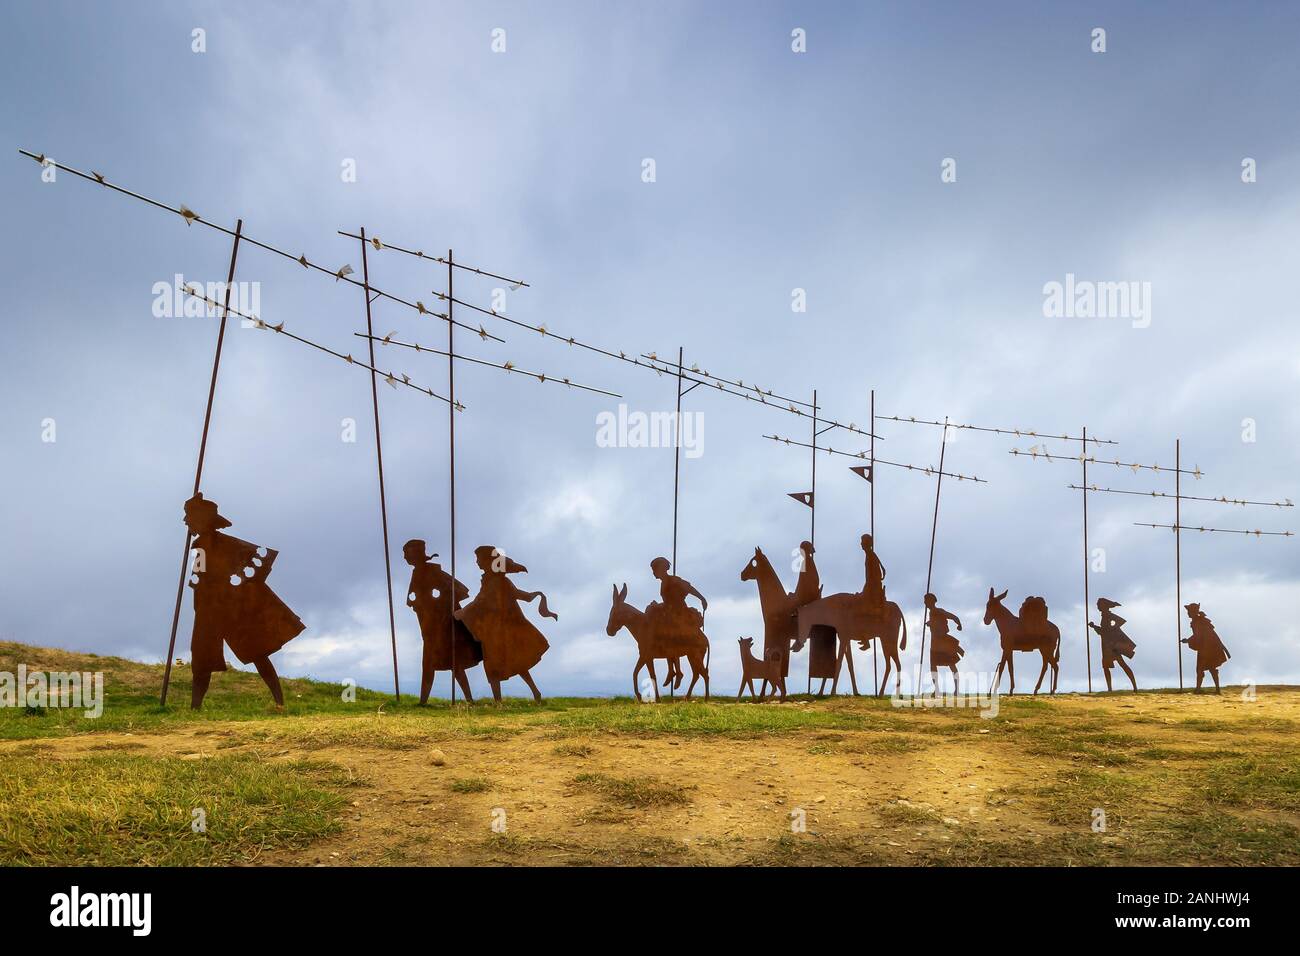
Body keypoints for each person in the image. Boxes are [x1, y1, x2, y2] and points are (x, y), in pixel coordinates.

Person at [183, 492, 304, 710]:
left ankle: (279, 703)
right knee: (202, 658)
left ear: (201, 519)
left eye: (188, 516)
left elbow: (261, 556)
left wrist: (236, 582)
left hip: (231, 608)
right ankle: (195, 708)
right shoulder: (199, 548)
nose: (185, 521)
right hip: (208, 610)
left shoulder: (227, 543)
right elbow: (197, 579)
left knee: (257, 652)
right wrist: (199, 599)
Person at [454, 546, 554, 702]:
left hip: (495, 631)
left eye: (479, 559)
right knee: (515, 662)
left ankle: (499, 701)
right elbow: (518, 595)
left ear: (488, 561)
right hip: (498, 629)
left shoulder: (495, 581)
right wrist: (532, 595)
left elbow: (480, 601)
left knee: (494, 664)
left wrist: (463, 612)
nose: (477, 562)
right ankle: (534, 693)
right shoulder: (499, 580)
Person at [403, 539, 483, 704]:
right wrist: (414, 601)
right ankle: (424, 702)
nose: (404, 557)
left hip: (442, 626)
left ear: (416, 553)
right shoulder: (417, 572)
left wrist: (436, 602)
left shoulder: (433, 571)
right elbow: (414, 596)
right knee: (433, 663)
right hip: (428, 626)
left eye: (407, 553)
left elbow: (458, 591)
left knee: (453, 663)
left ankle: (467, 700)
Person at [646, 556, 708, 688]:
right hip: (669, 612)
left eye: (654, 569)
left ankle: (676, 671)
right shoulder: (664, 582)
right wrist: (659, 606)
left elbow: (689, 588)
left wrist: (702, 598)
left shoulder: (673, 580)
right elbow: (668, 602)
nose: (653, 572)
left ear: (661, 568)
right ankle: (673, 671)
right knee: (656, 624)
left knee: (668, 634)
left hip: (678, 614)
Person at [1089, 597, 1137, 691]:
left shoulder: (1108, 615)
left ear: (1103, 606)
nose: (1097, 606)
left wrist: (1112, 629)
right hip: (1106, 645)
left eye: (1099, 604)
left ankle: (1134, 687)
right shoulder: (1104, 616)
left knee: (1121, 664)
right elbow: (1103, 631)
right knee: (1107, 666)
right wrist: (1094, 626)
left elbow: (1121, 621)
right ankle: (1110, 689)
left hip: (1111, 645)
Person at [1182, 603, 1230, 694]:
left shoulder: (1198, 622)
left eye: (1189, 611)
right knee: (1209, 668)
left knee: (1202, 668)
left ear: (1193, 612)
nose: (1187, 613)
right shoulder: (1198, 621)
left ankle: (1201, 689)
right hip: (1206, 647)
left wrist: (1188, 640)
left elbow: (1198, 636)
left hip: (1208, 648)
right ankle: (1205, 689)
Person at [923, 592, 964, 693]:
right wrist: (930, 623)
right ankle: (937, 689)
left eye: (926, 601)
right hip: (935, 643)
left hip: (943, 643)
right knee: (933, 666)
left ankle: (956, 689)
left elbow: (953, 617)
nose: (924, 603)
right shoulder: (931, 613)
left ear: (930, 601)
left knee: (951, 664)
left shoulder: (938, 611)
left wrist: (959, 624)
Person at [860, 533, 887, 616]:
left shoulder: (871, 555)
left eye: (863, 542)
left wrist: (868, 586)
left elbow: (874, 574)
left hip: (874, 585)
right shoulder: (870, 555)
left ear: (867, 543)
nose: (861, 544)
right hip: (871, 583)